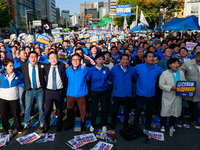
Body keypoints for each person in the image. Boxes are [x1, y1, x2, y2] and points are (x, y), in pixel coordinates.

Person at [133, 51, 164, 129]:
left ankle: (148, 123)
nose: (151, 58)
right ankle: (135, 123)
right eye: (149, 57)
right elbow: (131, 73)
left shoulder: (157, 68)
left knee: (150, 110)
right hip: (140, 93)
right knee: (138, 109)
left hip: (151, 93)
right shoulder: (138, 67)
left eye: (152, 57)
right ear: (145, 59)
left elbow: (166, 74)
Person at [20, 51, 46, 131]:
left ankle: (42, 123)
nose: (33, 58)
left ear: (38, 58)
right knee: (27, 108)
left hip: (40, 90)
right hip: (29, 90)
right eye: (31, 56)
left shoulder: (42, 66)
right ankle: (27, 123)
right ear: (28, 58)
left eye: (35, 56)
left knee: (41, 107)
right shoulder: (24, 67)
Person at [159, 58, 186, 132]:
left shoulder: (180, 73)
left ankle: (172, 125)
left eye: (177, 63)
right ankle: (163, 125)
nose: (176, 65)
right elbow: (161, 85)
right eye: (174, 63)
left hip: (178, 96)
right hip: (168, 95)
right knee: (165, 111)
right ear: (169, 65)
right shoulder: (165, 73)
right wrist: (170, 88)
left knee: (175, 112)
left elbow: (184, 83)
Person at [87, 53, 111, 132]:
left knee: (104, 109)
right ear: (96, 60)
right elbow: (87, 79)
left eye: (102, 59)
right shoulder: (91, 70)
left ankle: (104, 124)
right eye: (99, 59)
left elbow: (110, 78)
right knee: (94, 109)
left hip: (104, 91)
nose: (101, 61)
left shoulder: (105, 69)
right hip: (94, 91)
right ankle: (93, 124)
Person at [42, 51, 66, 133]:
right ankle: (46, 124)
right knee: (47, 110)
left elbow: (69, 64)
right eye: (51, 58)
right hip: (48, 91)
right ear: (48, 60)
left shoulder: (61, 65)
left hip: (59, 91)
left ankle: (59, 124)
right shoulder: (46, 67)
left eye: (55, 57)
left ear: (58, 58)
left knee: (59, 109)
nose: (53, 59)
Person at [64, 53, 89, 132]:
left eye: (77, 59)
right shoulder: (68, 69)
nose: (75, 61)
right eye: (74, 59)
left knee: (82, 111)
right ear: (71, 61)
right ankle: (70, 123)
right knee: (69, 110)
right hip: (70, 93)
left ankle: (83, 124)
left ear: (80, 61)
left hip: (81, 93)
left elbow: (93, 69)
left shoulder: (85, 69)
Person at [110, 54, 135, 129]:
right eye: (123, 59)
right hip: (117, 93)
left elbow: (134, 78)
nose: (125, 61)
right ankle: (113, 123)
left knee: (127, 111)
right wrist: (116, 83)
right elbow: (110, 77)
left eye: (127, 59)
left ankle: (125, 124)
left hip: (127, 93)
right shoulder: (114, 69)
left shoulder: (132, 69)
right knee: (115, 110)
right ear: (120, 60)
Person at [177, 49, 200, 129]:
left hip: (199, 89)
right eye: (199, 56)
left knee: (197, 106)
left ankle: (195, 120)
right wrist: (182, 73)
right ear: (195, 56)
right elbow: (179, 71)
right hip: (188, 88)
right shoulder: (188, 63)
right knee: (184, 105)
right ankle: (180, 119)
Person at [0, 58, 23, 136]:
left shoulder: (18, 74)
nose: (12, 68)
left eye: (13, 66)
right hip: (3, 98)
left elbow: (25, 78)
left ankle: (19, 128)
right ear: (5, 67)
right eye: (10, 66)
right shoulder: (1, 75)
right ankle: (6, 128)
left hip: (14, 98)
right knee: (4, 114)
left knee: (16, 114)